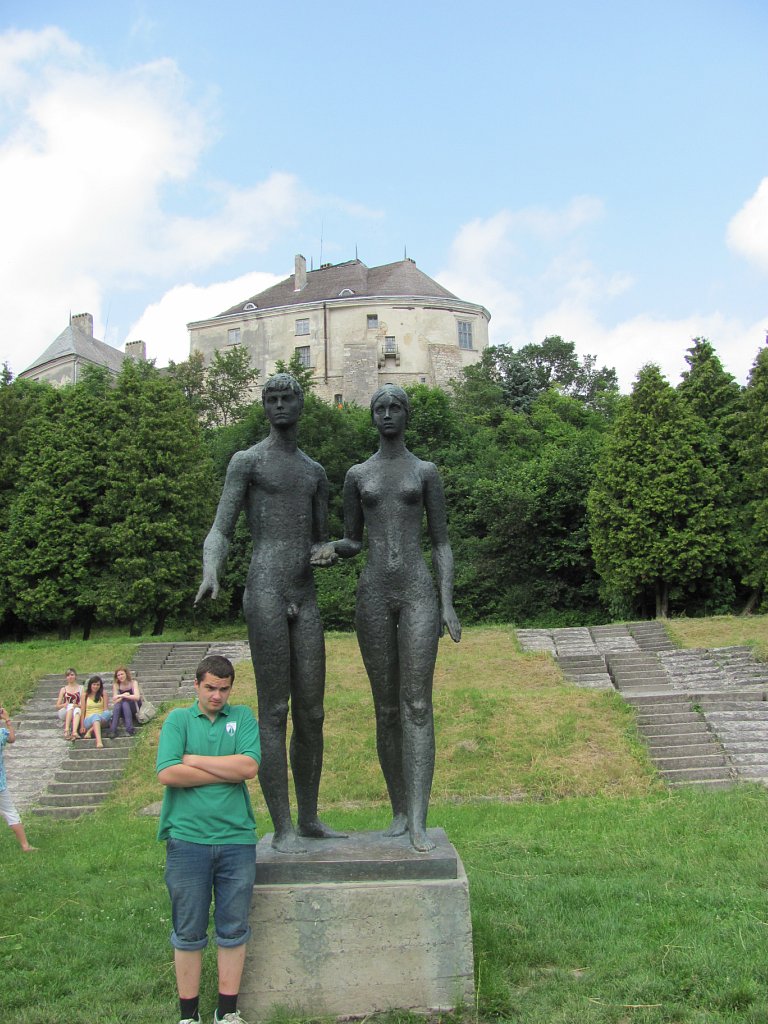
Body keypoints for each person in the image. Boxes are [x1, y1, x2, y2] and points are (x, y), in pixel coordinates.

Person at [195, 372, 344, 854]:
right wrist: (211, 570)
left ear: (300, 405)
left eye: (287, 398)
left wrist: (328, 551)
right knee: (275, 710)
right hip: (265, 591)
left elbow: (321, 539)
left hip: (305, 594)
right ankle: (282, 828)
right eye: (272, 399)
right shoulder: (248, 462)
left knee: (313, 713)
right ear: (264, 407)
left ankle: (309, 818)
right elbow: (220, 529)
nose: (280, 406)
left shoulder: (314, 472)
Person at [319, 384, 461, 852]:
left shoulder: (425, 471)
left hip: (417, 591)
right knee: (385, 708)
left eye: (395, 407)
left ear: (406, 414)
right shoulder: (358, 475)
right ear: (372, 417)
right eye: (379, 408)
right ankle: (400, 812)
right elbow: (353, 540)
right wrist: (331, 549)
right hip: (374, 594)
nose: (386, 414)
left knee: (417, 704)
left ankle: (419, 820)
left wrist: (446, 602)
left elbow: (441, 542)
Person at [157, 654, 261, 1024]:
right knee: (188, 930)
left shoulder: (243, 717)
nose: (217, 696)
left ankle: (227, 1012)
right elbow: (168, 773)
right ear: (197, 685)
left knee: (233, 928)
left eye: (224, 689)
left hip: (236, 839)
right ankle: (189, 1016)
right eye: (210, 688)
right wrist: (225, 771)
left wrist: (193, 759)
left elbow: (249, 766)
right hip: (187, 840)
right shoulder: (178, 719)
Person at [0, 703, 36, 851]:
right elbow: (12, 738)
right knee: (10, 812)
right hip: (0, 783)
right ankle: (25, 845)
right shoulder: (1, 733)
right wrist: (7, 720)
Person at [78, 675, 111, 748]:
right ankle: (99, 742)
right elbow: (82, 711)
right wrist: (82, 726)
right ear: (90, 685)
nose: (96, 686)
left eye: (98, 685)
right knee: (95, 716)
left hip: (101, 719)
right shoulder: (84, 695)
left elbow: (105, 709)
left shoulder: (103, 694)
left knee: (108, 713)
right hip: (88, 719)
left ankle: (90, 731)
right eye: (94, 684)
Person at [110, 666, 140, 738]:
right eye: (118, 675)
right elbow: (115, 701)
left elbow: (137, 697)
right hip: (123, 710)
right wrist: (123, 695)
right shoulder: (116, 685)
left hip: (134, 706)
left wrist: (123, 696)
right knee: (118, 705)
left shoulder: (133, 682)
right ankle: (113, 731)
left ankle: (130, 729)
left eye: (122, 674)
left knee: (125, 703)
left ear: (126, 674)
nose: (120, 676)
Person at [55, 667, 82, 740]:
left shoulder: (81, 688)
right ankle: (66, 730)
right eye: (68, 675)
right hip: (65, 711)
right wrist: (64, 705)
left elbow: (83, 704)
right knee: (70, 705)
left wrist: (76, 705)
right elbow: (57, 706)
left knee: (77, 709)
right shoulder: (63, 689)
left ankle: (74, 732)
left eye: (72, 675)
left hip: (77, 711)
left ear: (75, 676)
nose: (70, 677)